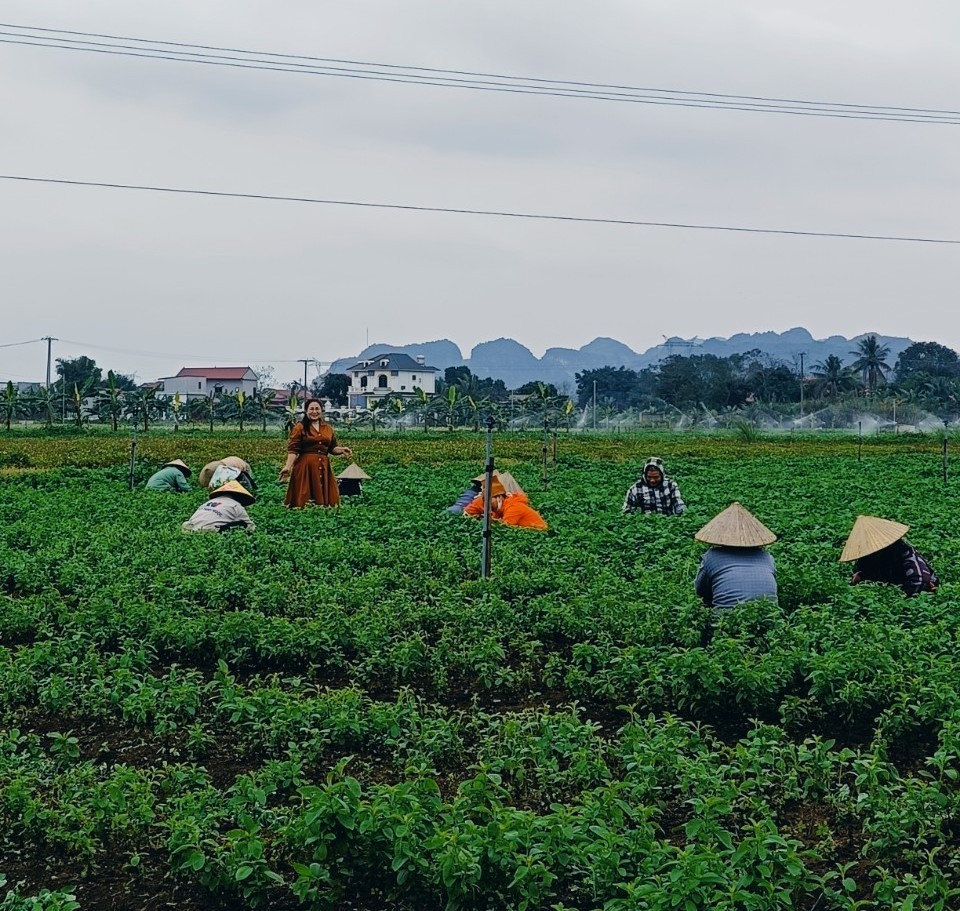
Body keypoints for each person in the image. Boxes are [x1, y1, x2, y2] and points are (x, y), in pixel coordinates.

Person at [694, 502, 778, 609]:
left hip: (724, 622)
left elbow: (701, 592)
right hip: (769, 618)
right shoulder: (767, 557)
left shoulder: (712, 557)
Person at [279, 399, 353, 508]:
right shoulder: (300, 428)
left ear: (321, 411)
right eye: (311, 409)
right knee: (304, 498)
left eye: (317, 409)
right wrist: (287, 467)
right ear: (306, 411)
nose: (314, 411)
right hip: (305, 468)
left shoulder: (328, 428)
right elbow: (293, 450)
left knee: (327, 500)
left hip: (323, 467)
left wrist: (341, 450)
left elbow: (332, 448)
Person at [840, 515, 938, 596]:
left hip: (913, 590)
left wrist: (899, 598)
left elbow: (920, 581)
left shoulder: (905, 553)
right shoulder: (867, 557)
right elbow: (860, 572)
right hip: (889, 587)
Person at [464, 477, 548, 530]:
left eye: (490, 500)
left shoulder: (514, 507)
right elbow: (468, 512)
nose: (487, 503)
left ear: (500, 497)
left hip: (538, 533)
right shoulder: (498, 508)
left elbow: (505, 528)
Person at [181, 480, 256, 534]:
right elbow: (250, 526)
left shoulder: (210, 501)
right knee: (242, 523)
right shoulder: (236, 505)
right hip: (208, 531)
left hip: (187, 528)